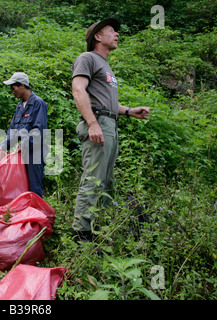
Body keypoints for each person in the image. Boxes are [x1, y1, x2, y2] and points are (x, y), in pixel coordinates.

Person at [72, 18, 150, 243]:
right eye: (111, 30)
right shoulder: (87, 58)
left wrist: (128, 111)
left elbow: (106, 102)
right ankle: (81, 235)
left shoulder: (106, 66)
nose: (116, 34)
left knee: (106, 181)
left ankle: (99, 228)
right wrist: (93, 123)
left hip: (110, 124)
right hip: (97, 123)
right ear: (97, 36)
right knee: (93, 178)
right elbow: (79, 90)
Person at [0, 72, 48, 198]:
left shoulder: (38, 103)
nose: (12, 92)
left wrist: (23, 144)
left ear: (21, 85)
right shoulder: (19, 106)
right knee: (21, 188)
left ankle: (36, 216)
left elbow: (39, 130)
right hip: (20, 154)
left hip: (34, 153)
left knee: (34, 188)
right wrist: (3, 146)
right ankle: (23, 216)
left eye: (13, 88)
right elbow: (12, 130)